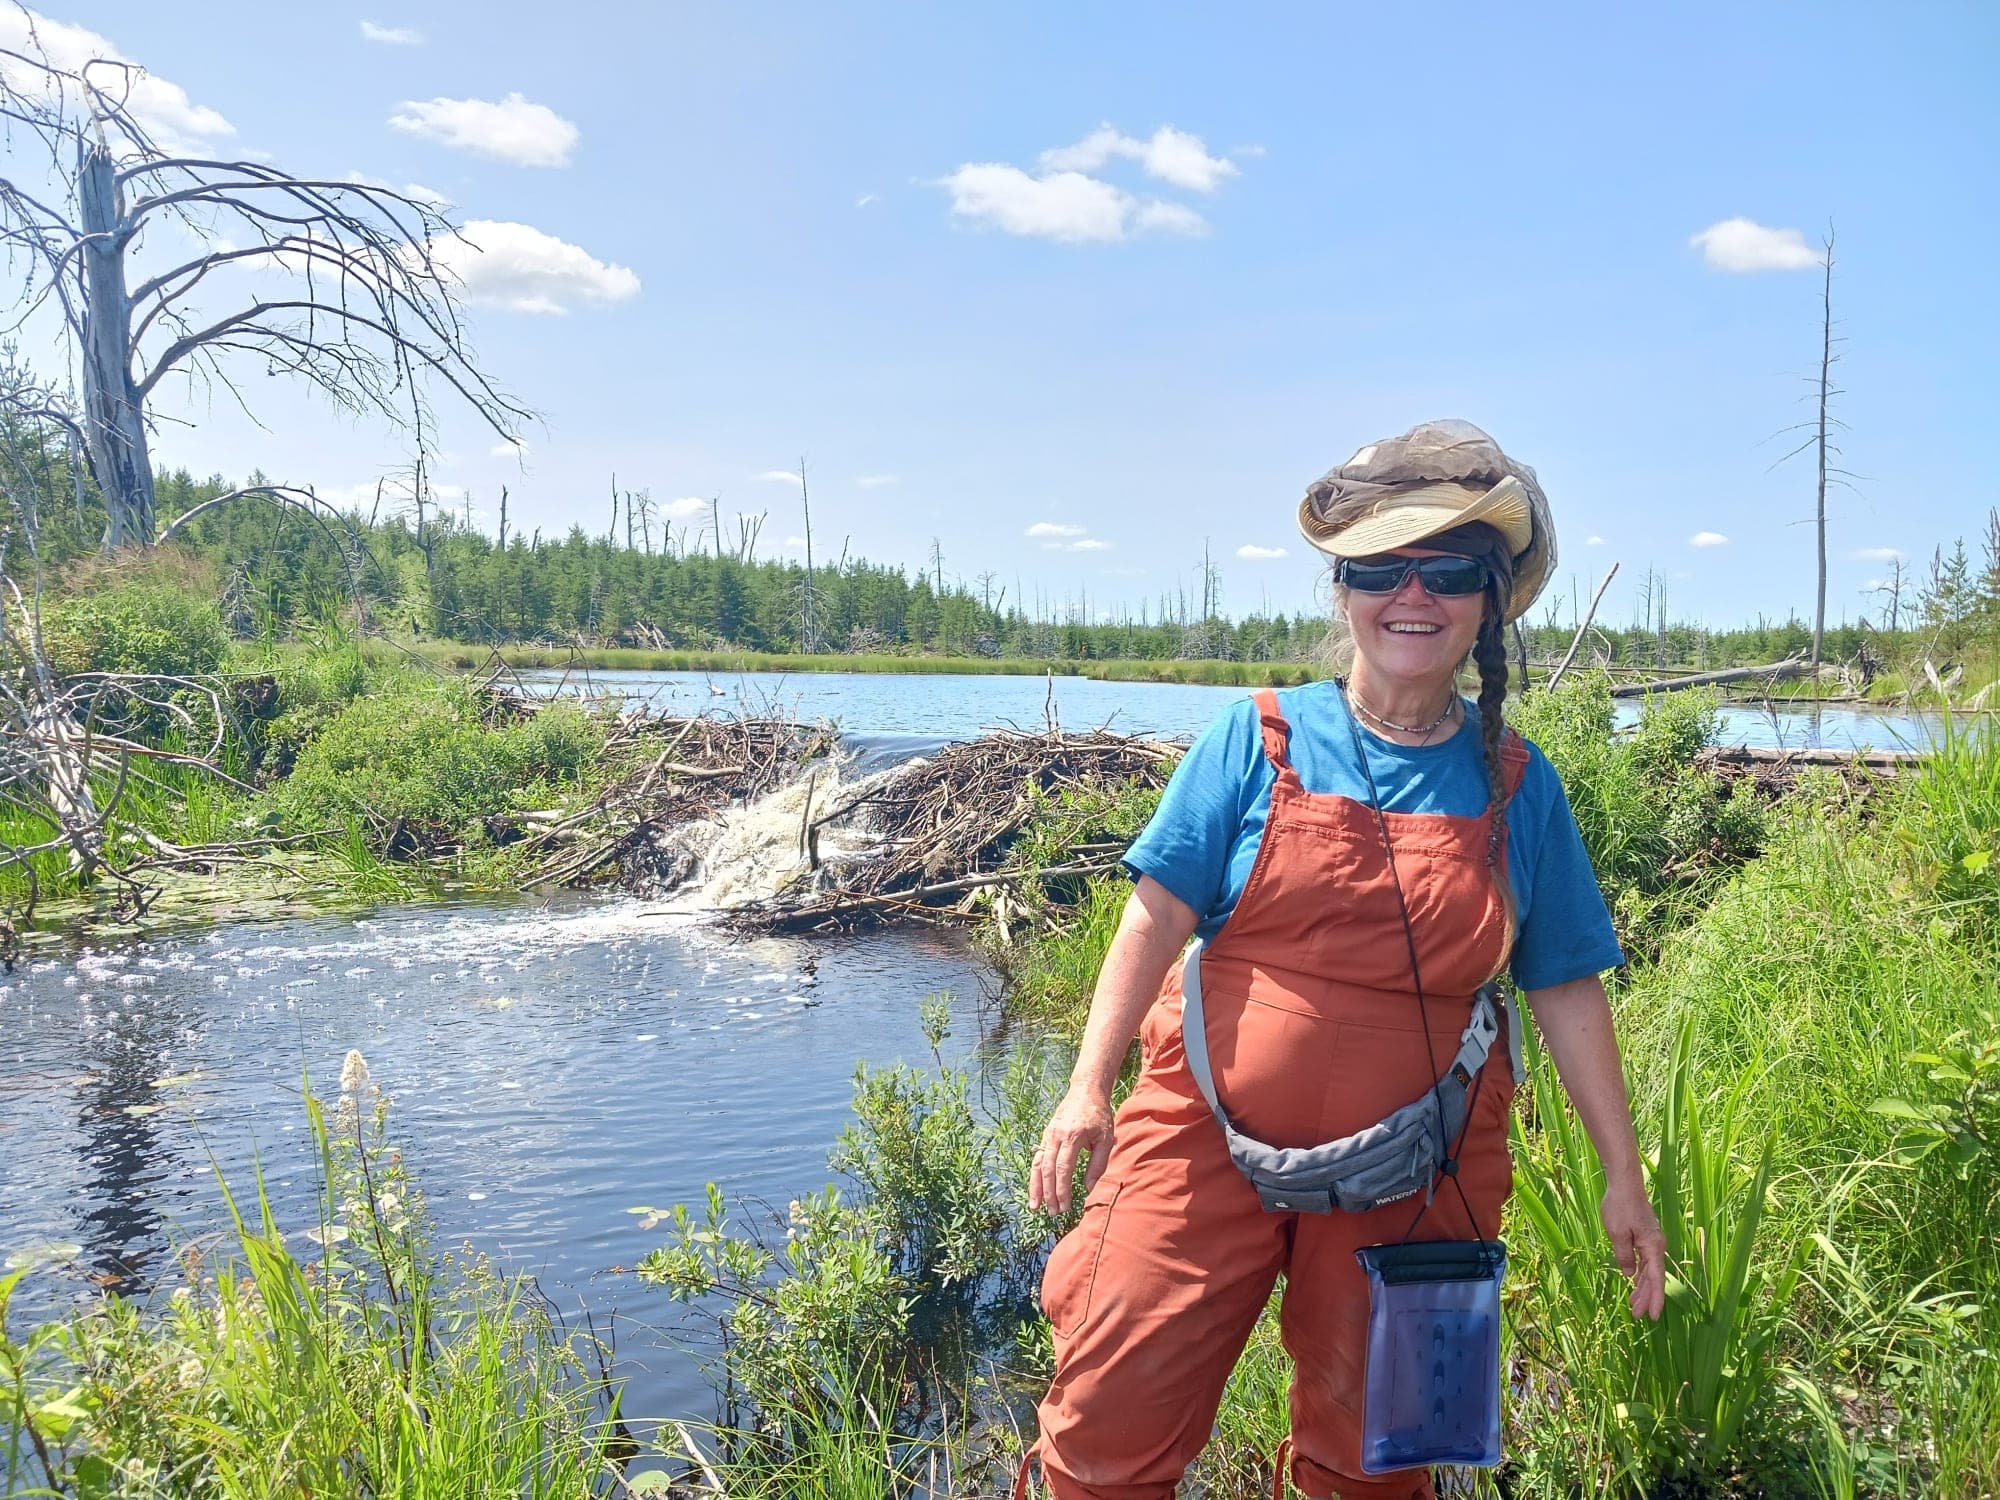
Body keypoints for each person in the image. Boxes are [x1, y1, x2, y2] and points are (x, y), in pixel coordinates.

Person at [1020, 421, 1667, 1500]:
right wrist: (1086, 1089)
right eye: (1379, 569)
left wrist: (1622, 1174)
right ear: (1343, 590)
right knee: (1104, 1436)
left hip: (1427, 1175)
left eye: (1447, 572)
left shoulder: (1520, 784)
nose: (1411, 595)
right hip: (1197, 1145)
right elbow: (1152, 919)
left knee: (1383, 1462)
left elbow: (1563, 984)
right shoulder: (1253, 737)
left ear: (1488, 601)